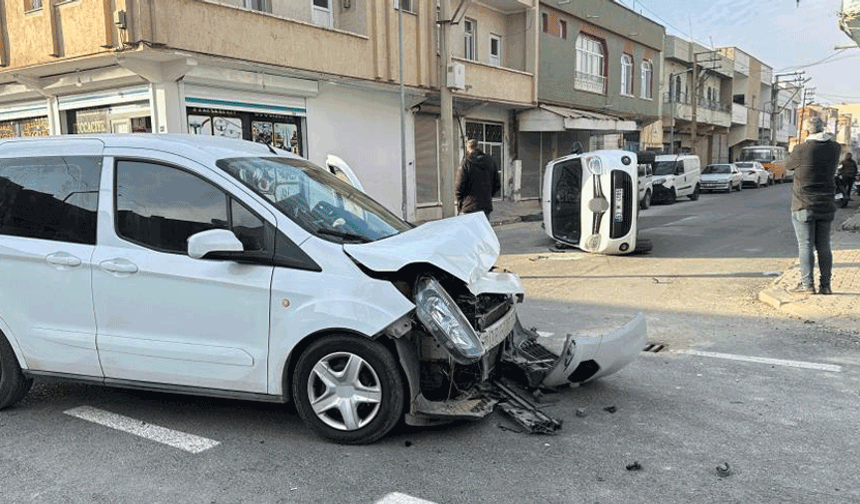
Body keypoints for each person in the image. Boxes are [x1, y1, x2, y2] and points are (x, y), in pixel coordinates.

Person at [786, 117, 841, 295]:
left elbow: (788, 165)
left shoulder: (801, 149)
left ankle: (807, 285)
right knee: (824, 245)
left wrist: (797, 144)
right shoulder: (835, 148)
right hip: (826, 203)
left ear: (807, 131)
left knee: (806, 245)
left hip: (803, 204)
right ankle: (826, 286)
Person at [455, 139, 501, 217]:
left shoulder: (466, 163)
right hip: (485, 207)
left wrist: (460, 205)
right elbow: (497, 185)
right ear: (478, 146)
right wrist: (487, 195)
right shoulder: (490, 161)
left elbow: (459, 188)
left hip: (468, 207)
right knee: (483, 228)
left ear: (467, 148)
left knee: (468, 229)